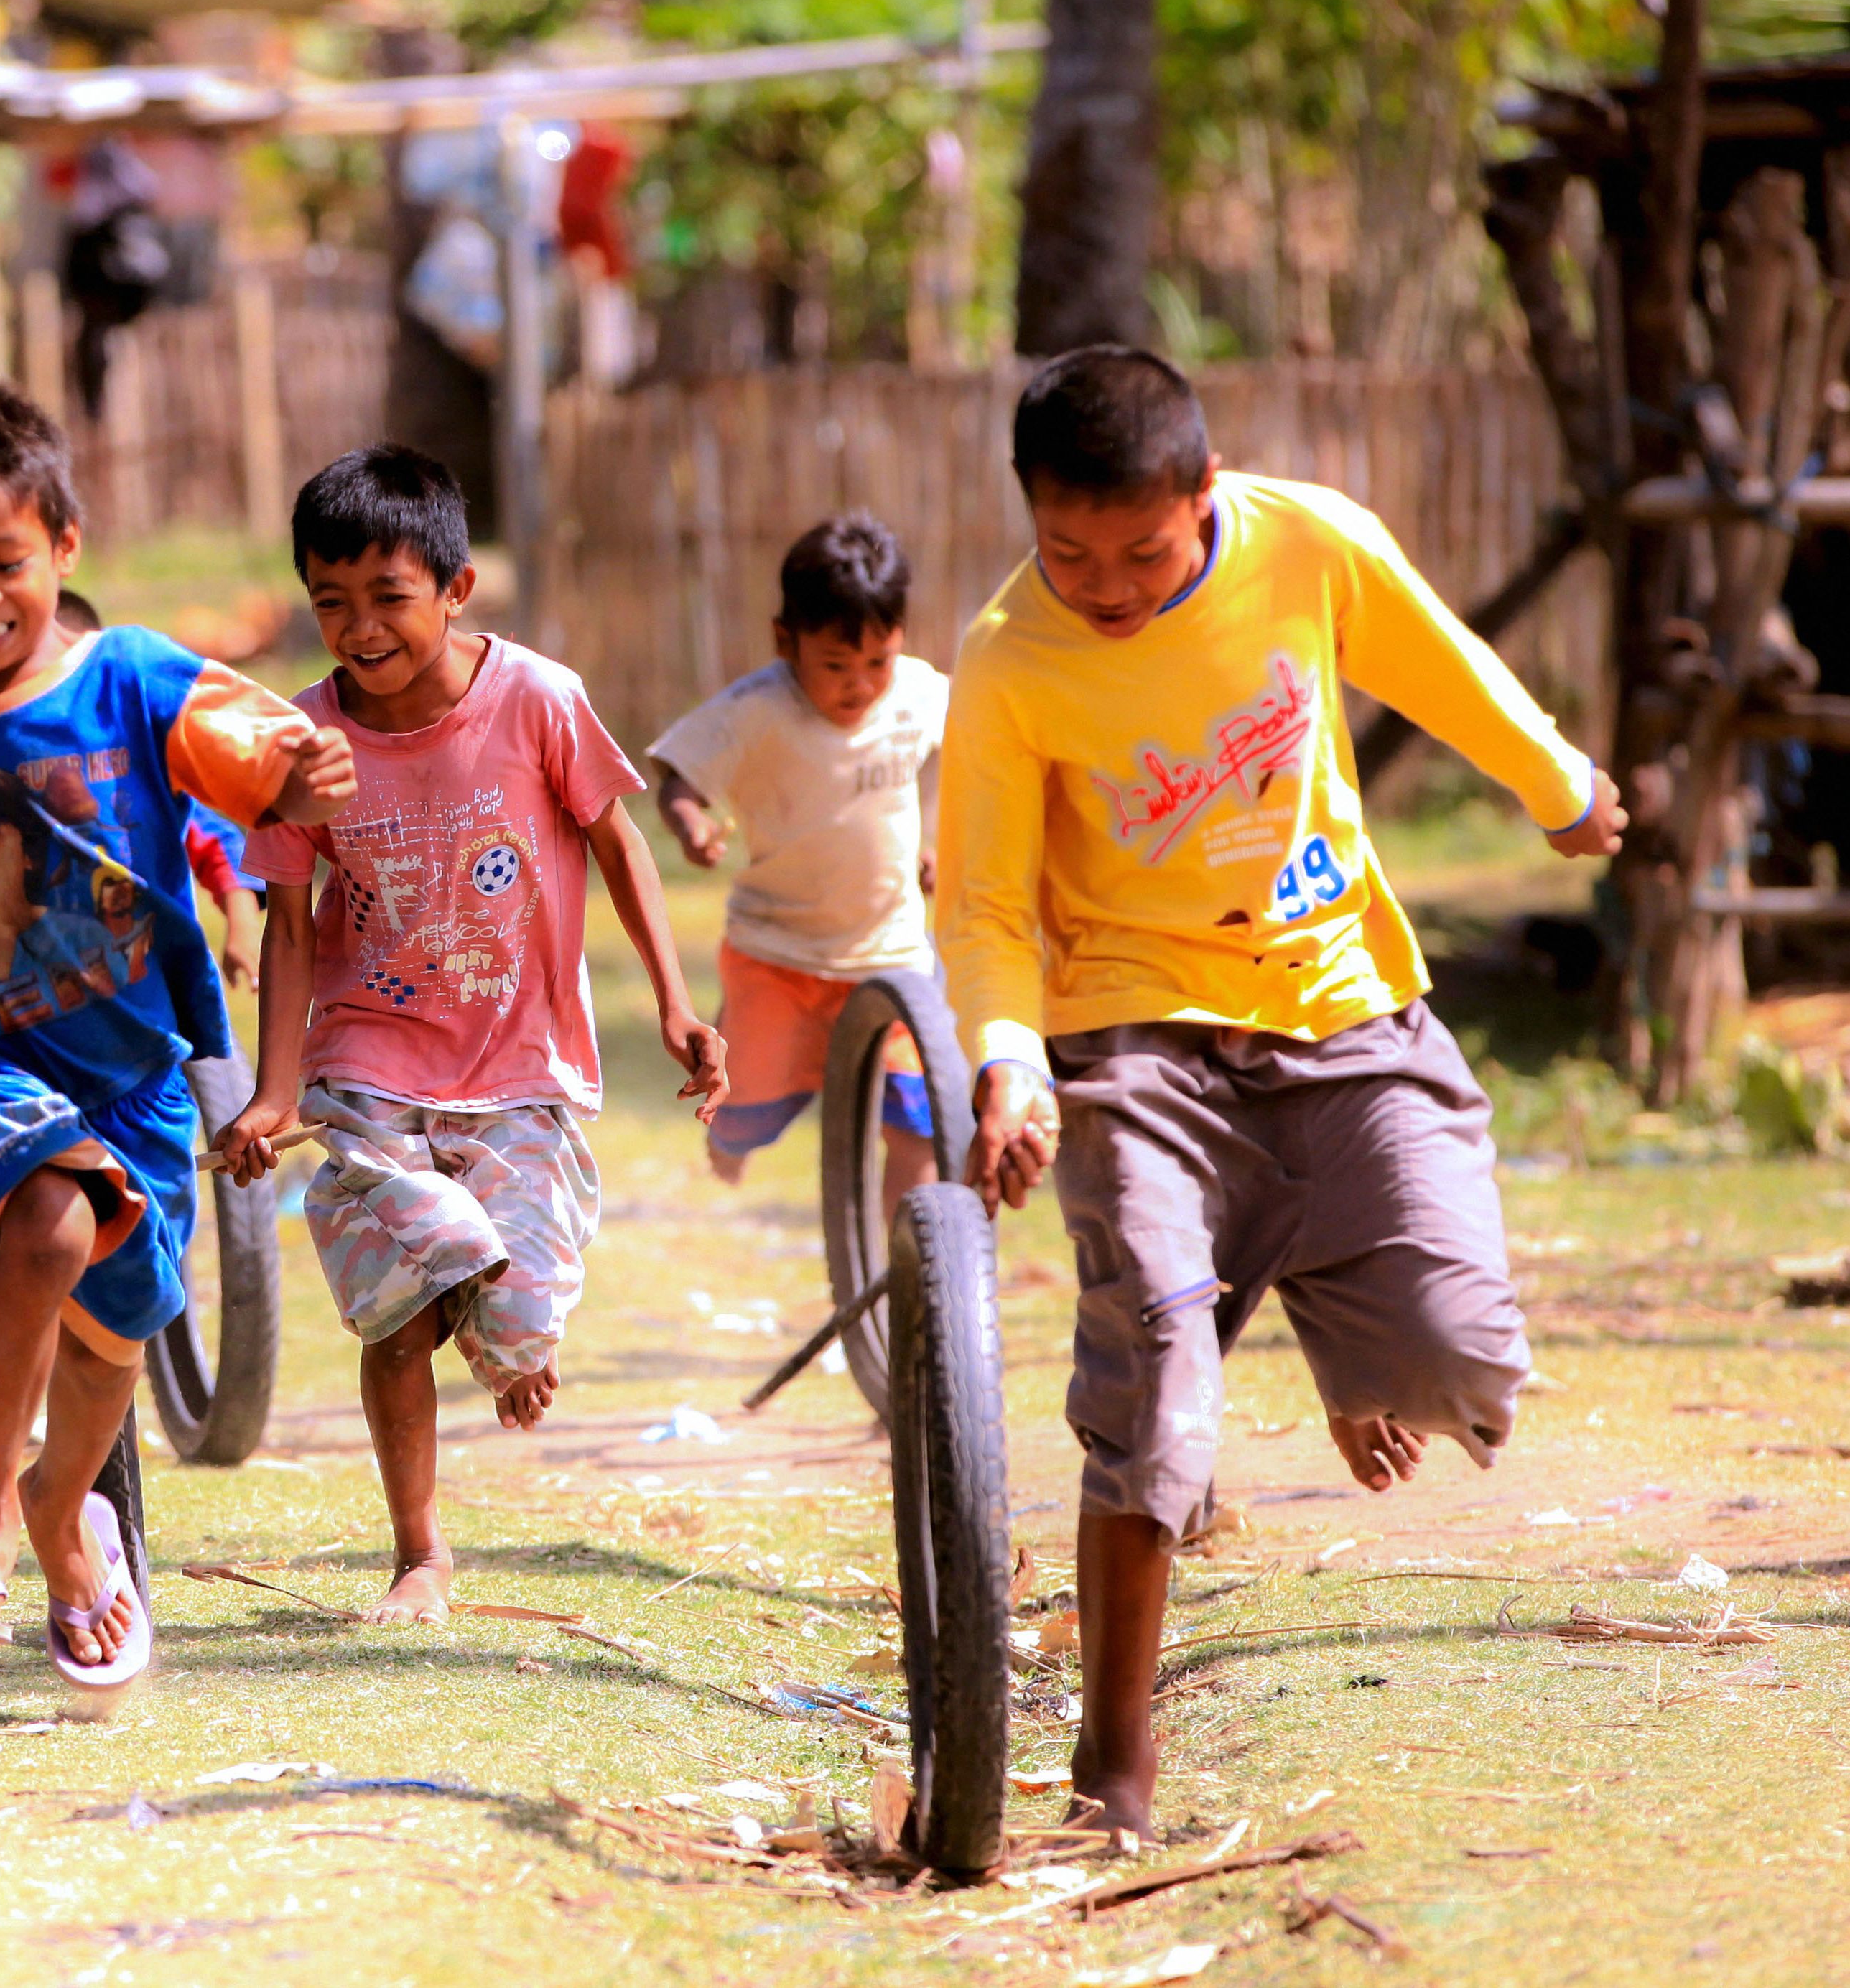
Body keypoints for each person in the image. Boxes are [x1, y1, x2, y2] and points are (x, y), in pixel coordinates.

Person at [936, 348, 1629, 1840]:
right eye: (1068, 553)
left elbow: (1439, 660)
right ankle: (1114, 1767)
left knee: (1459, 1368)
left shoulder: (1305, 539)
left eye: (1140, 550)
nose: (1105, 586)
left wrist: (1557, 780)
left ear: (1205, 495)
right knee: (1154, 1391)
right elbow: (986, 901)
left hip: (1336, 996)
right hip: (1131, 1027)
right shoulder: (1008, 657)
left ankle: (1339, 1310)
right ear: (1028, 516)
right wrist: (1005, 1059)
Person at [0, 376, 351, 1686]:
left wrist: (301, 774)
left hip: (139, 1065)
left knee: (113, 1336)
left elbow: (265, 753)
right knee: (42, 1219)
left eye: (4, 563)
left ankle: (58, 1509)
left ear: (63, 548)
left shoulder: (131, 677)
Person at [216, 445, 726, 1626]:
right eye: (328, 603)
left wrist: (670, 1000)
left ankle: (512, 1331)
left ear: (454, 589)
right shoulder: (302, 743)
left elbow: (616, 839)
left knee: (515, 1303)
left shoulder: (536, 698)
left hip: (519, 1063)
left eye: (385, 597)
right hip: (368, 1059)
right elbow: (285, 924)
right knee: (413, 1289)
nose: (358, 628)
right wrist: (272, 1089)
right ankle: (420, 1555)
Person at [0, 589, 269, 1411]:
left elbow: (223, 848)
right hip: (4, 1025)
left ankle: (74, 1363)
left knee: (109, 1237)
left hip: (117, 1028)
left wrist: (241, 924)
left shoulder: (136, 741)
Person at [648, 513, 949, 1213]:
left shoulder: (916, 692)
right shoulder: (756, 710)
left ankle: (909, 1274)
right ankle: (727, 1138)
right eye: (836, 666)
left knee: (917, 1126)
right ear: (786, 642)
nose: (860, 685)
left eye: (877, 662)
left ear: (899, 642)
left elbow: (978, 748)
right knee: (747, 1112)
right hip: (778, 955)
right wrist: (691, 825)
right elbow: (678, 778)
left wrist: (942, 848)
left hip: (891, 952)